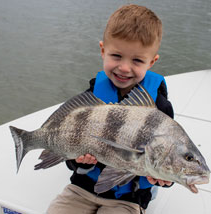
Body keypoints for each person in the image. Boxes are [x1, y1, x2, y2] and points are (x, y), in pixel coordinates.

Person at [47, 4, 174, 214]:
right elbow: (70, 148)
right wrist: (79, 162)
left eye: (137, 60)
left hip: (127, 197)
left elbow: (168, 158)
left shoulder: (160, 109)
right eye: (116, 56)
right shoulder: (90, 98)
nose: (124, 67)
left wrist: (164, 179)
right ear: (103, 50)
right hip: (82, 189)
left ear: (152, 62)